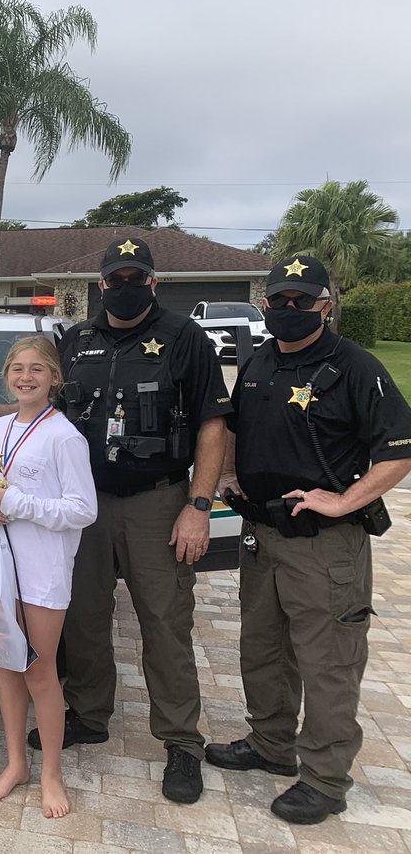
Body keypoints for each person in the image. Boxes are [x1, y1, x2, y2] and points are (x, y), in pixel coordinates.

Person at [207, 255, 411, 824]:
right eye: (279, 300)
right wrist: (226, 475)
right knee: (264, 649)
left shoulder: (354, 367)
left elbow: (399, 448)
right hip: (263, 535)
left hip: (325, 544)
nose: (288, 309)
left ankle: (324, 778)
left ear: (326, 305)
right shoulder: (258, 361)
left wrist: (347, 499)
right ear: (265, 303)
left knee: (327, 662)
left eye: (302, 301)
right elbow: (236, 429)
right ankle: (271, 744)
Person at [31, 237, 230, 806]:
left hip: (158, 500)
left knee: (165, 622)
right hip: (85, 501)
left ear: (153, 283)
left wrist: (199, 507)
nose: (125, 287)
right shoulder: (78, 340)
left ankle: (180, 742)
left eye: (135, 277)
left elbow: (213, 425)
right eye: (115, 279)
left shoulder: (185, 339)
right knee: (85, 615)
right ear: (100, 286)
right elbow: (46, 409)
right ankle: (89, 715)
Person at [0, 336, 97, 817]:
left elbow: (83, 509)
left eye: (37, 370)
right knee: (7, 666)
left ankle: (51, 774)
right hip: (0, 569)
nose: (26, 378)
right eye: (18, 370)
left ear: (54, 378)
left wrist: (19, 505)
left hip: (43, 573)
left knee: (39, 672)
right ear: (6, 375)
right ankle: (15, 766)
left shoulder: (64, 436)